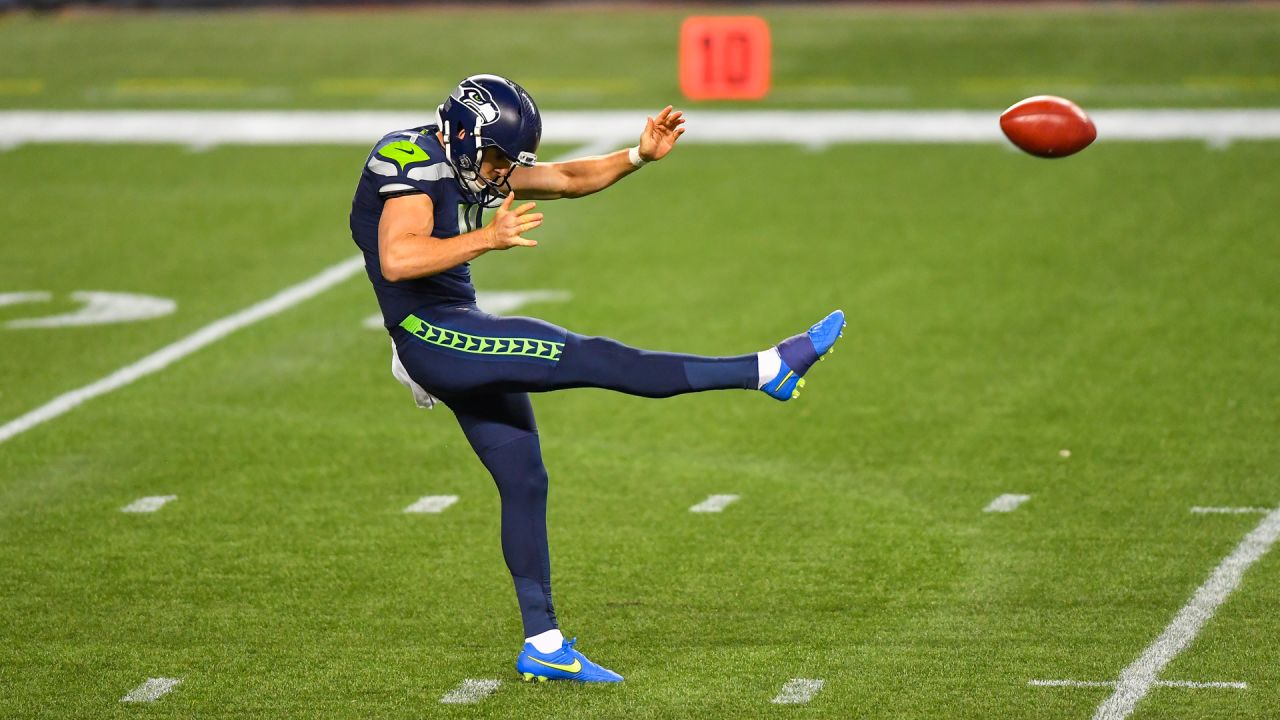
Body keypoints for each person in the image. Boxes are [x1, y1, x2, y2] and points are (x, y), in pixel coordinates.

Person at [349, 74, 844, 683]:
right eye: (497, 157)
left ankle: (544, 644)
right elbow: (398, 259)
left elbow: (564, 178)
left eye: (510, 160)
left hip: (455, 331)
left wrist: (638, 156)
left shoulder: (472, 160)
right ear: (459, 133)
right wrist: (488, 238)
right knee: (589, 356)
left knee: (525, 479)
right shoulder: (412, 162)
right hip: (433, 333)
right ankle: (765, 369)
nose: (503, 172)